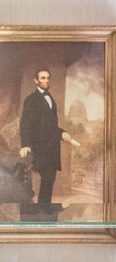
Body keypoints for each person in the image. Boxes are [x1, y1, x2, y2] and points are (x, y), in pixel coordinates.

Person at [19, 68, 75, 204]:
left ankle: (45, 208)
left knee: (50, 179)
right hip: (39, 146)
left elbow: (50, 126)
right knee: (47, 177)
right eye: (43, 78)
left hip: (52, 147)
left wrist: (62, 133)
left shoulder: (50, 98)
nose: (46, 80)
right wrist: (25, 144)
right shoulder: (31, 99)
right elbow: (25, 123)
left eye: (48, 78)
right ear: (36, 81)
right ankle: (43, 208)